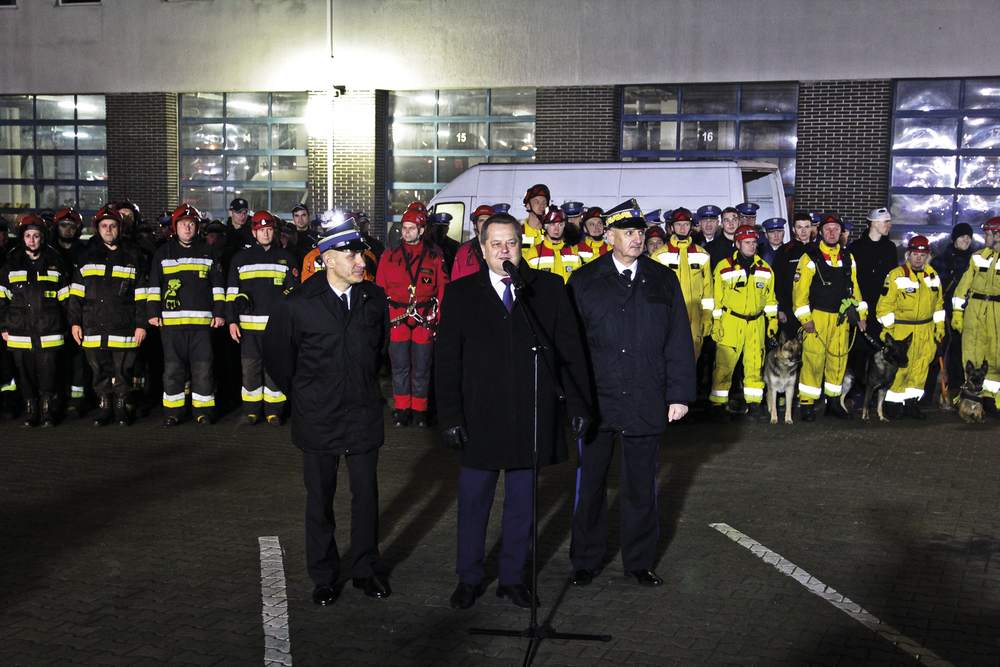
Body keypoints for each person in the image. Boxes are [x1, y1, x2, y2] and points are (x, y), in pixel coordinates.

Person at [435, 212, 590, 610]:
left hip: (530, 416)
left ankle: (512, 577)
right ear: (482, 249)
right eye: (496, 244)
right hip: (479, 418)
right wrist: (450, 416)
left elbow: (569, 351)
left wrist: (577, 402)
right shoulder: (461, 293)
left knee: (522, 505)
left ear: (522, 247)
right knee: (473, 504)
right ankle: (468, 578)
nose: (505, 251)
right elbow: (447, 361)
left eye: (511, 244)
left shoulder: (548, 288)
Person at [567, 199, 696, 588]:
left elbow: (677, 340)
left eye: (640, 232)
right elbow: (572, 347)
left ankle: (639, 562)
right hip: (599, 398)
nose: (637, 238)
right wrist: (574, 399)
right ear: (609, 236)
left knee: (640, 486)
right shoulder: (584, 281)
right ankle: (585, 561)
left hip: (645, 395)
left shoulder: (662, 279)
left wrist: (679, 395)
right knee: (590, 485)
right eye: (628, 232)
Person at [263, 217, 391, 606]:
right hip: (318, 417)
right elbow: (278, 357)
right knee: (320, 500)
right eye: (351, 254)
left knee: (366, 497)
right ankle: (324, 574)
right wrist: (304, 397)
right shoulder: (298, 304)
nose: (360, 261)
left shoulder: (374, 298)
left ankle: (366, 569)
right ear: (328, 258)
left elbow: (379, 351)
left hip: (363, 415)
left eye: (360, 253)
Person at [146, 204, 226, 426]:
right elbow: (154, 286)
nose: (188, 228)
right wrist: (153, 312)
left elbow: (218, 287)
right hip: (171, 325)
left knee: (203, 369)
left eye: (191, 224)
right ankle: (174, 412)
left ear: (197, 227)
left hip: (202, 325)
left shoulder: (208, 252)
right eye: (183, 224)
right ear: (175, 227)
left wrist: (219, 313)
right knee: (173, 370)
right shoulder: (163, 253)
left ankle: (203, 412)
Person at [67, 206, 147, 426]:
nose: (108, 229)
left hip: (124, 325)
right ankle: (105, 408)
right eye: (104, 226)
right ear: (98, 229)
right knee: (99, 370)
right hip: (93, 325)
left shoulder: (133, 256)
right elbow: (75, 294)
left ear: (119, 228)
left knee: (123, 370)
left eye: (112, 226)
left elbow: (142, 296)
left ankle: (121, 408)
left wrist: (141, 325)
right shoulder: (86, 257)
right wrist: (75, 322)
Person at [376, 205, 448, 428]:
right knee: (399, 367)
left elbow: (443, 288)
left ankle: (419, 410)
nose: (405, 232)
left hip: (424, 319)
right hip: (397, 318)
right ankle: (402, 409)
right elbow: (380, 287)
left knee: (422, 367)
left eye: (410, 228)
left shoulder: (435, 255)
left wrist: (441, 318)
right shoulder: (390, 254)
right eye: (404, 228)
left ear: (422, 229)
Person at [792, 213, 867, 421]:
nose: (832, 233)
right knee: (813, 361)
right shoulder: (810, 257)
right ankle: (807, 403)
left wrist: (861, 314)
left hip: (841, 318)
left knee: (839, 359)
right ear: (821, 232)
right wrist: (806, 320)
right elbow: (799, 293)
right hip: (817, 318)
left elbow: (855, 288)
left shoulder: (847, 257)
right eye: (828, 229)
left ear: (841, 233)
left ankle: (834, 401)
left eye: (836, 229)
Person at [227, 210, 299, 425]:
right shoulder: (240, 259)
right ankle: (251, 410)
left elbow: (295, 292)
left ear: (274, 231)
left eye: (269, 229)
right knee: (250, 370)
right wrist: (231, 321)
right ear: (253, 232)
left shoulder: (287, 258)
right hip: (248, 329)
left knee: (274, 371)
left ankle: (274, 411)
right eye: (261, 230)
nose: (266, 234)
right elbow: (231, 292)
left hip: (276, 329)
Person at [0, 214, 70, 427]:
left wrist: (66, 325)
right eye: (28, 236)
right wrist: (3, 326)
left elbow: (66, 300)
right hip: (19, 331)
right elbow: (1, 300)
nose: (32, 240)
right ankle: (31, 410)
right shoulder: (10, 265)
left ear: (43, 238)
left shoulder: (56, 263)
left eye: (36, 236)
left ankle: (47, 410)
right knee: (25, 374)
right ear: (22, 238)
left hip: (49, 329)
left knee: (49, 373)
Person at [708, 226, 778, 421]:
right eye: (747, 242)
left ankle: (754, 404)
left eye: (754, 242)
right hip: (731, 321)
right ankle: (718, 405)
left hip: (756, 323)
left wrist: (772, 322)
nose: (752, 246)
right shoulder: (723, 267)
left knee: (755, 365)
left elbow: (770, 300)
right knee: (724, 366)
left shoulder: (765, 268)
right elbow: (716, 299)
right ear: (737, 244)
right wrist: (716, 322)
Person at [875, 235, 944, 419]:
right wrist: (889, 332)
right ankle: (893, 403)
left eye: (922, 255)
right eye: (915, 254)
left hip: (926, 330)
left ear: (928, 256)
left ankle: (912, 403)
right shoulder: (896, 275)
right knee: (900, 370)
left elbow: (938, 305)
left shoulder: (932, 275)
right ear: (908, 254)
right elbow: (884, 307)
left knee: (920, 368)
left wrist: (940, 328)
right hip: (902, 331)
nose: (918, 258)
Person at [847, 207, 898, 393]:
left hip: (882, 309)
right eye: (886, 222)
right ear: (874, 223)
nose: (889, 225)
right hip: (861, 310)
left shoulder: (890, 248)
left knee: (879, 350)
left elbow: (893, 280)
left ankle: (874, 392)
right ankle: (856, 392)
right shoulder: (855, 249)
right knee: (859, 353)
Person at [651, 208, 713, 359]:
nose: (682, 228)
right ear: (671, 227)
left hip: (695, 315)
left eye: (686, 224)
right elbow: (653, 291)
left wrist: (706, 316)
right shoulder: (659, 256)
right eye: (678, 225)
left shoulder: (702, 255)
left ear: (691, 227)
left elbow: (708, 291)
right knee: (670, 357)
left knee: (693, 356)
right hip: (670, 315)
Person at [952, 216, 1000, 410]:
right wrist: (957, 312)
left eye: (988, 234)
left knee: (996, 357)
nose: (985, 237)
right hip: (975, 311)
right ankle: (971, 397)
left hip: (997, 312)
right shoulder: (977, 256)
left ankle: (991, 399)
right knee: (972, 356)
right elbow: (963, 286)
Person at [929, 222, 975, 394]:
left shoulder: (974, 261)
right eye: (963, 236)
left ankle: (957, 388)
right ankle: (929, 391)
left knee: (961, 351)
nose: (966, 240)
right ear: (955, 238)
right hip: (944, 312)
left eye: (969, 237)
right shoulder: (941, 260)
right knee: (939, 351)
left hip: (967, 312)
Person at [52, 207, 89, 416]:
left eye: (72, 226)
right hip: (52, 314)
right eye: (63, 225)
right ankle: (58, 397)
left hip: (76, 312)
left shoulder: (84, 252)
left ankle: (78, 400)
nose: (68, 229)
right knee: (55, 360)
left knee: (78, 359)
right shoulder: (48, 251)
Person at [773, 211, 815, 338]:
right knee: (792, 351)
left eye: (807, 227)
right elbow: (777, 282)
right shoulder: (785, 251)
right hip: (789, 310)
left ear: (812, 228)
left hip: (814, 309)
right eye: (799, 227)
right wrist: (780, 309)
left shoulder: (818, 250)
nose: (803, 231)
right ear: (793, 229)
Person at [522, 206, 582, 283]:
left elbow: (579, 282)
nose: (557, 229)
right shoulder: (532, 254)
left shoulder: (574, 252)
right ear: (545, 226)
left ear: (564, 226)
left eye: (560, 225)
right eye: (552, 224)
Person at [451, 204, 494, 281]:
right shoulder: (464, 250)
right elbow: (455, 280)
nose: (485, 224)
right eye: (481, 221)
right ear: (475, 225)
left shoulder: (501, 248)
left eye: (488, 220)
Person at [521, 183, 550, 250]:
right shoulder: (517, 233)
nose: (541, 205)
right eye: (536, 202)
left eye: (544, 202)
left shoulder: (552, 233)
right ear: (528, 205)